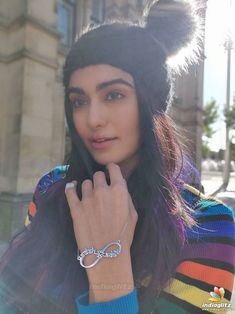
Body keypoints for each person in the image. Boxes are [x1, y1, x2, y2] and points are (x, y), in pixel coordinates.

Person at [0, 0, 234, 313]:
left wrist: (108, 270)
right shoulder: (51, 189)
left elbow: (211, 304)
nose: (92, 119)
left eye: (114, 95)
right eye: (79, 100)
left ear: (152, 102)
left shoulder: (213, 227)